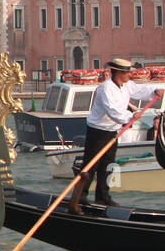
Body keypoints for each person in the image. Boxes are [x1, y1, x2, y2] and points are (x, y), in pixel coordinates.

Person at [68, 57, 164, 214]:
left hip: (113, 130)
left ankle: (103, 197)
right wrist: (130, 117)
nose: (130, 75)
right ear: (119, 73)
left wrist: (154, 91)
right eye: (128, 73)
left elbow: (140, 91)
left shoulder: (126, 85)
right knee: (91, 165)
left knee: (108, 165)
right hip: (98, 131)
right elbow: (113, 111)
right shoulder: (106, 89)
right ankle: (79, 198)